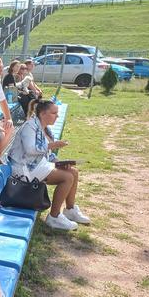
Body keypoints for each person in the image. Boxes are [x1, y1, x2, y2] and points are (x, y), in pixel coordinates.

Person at [7, 99, 90, 231]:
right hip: (24, 169)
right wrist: (53, 145)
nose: (57, 116)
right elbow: (30, 149)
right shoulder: (30, 126)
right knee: (67, 178)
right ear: (43, 113)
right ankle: (54, 217)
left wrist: (59, 163)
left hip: (36, 165)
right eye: (54, 113)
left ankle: (70, 210)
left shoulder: (44, 129)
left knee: (73, 172)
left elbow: (48, 155)